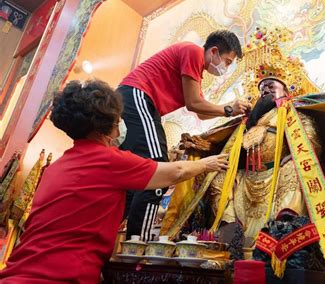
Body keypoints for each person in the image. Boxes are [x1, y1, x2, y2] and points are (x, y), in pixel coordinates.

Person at [0, 80, 228, 284]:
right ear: (107, 126)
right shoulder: (109, 160)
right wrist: (208, 163)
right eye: (120, 122)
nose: (121, 129)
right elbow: (175, 171)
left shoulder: (56, 167)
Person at [118, 30, 250, 240]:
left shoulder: (196, 69)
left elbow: (201, 112)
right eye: (226, 61)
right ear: (213, 51)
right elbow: (194, 103)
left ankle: (121, 236)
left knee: (133, 178)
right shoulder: (192, 52)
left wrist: (230, 111)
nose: (225, 67)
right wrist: (228, 109)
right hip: (138, 97)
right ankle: (139, 244)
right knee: (159, 172)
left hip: (138, 102)